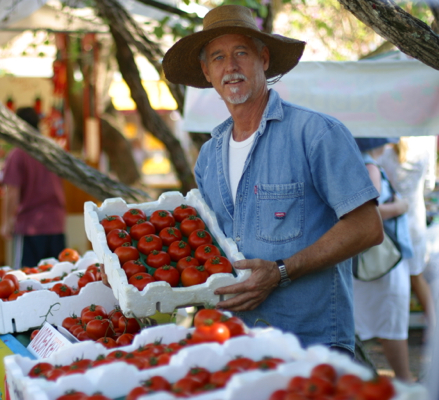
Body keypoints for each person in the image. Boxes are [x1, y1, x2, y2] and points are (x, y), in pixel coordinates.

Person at [162, 5, 383, 355]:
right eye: (218, 57)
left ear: (263, 59)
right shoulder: (209, 155)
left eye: (241, 53)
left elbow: (368, 227)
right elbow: (215, 245)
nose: (230, 67)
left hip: (311, 343)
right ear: (206, 71)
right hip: (236, 343)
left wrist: (282, 271)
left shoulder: (316, 133)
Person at [353, 138, 414, 382]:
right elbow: (371, 211)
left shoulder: (360, 163)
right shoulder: (370, 166)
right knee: (391, 320)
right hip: (383, 263)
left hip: (375, 260)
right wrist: (400, 207)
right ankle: (404, 380)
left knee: (383, 320)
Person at [378, 136, 437, 329]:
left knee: (392, 281)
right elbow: (429, 184)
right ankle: (434, 325)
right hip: (415, 219)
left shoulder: (384, 150)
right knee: (416, 277)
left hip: (392, 223)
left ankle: (390, 330)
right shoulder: (425, 144)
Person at [0, 107, 67, 269]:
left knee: (28, 279)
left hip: (30, 226)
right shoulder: (52, 148)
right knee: (59, 277)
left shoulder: (18, 154)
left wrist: (7, 222)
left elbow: (12, 193)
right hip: (56, 222)